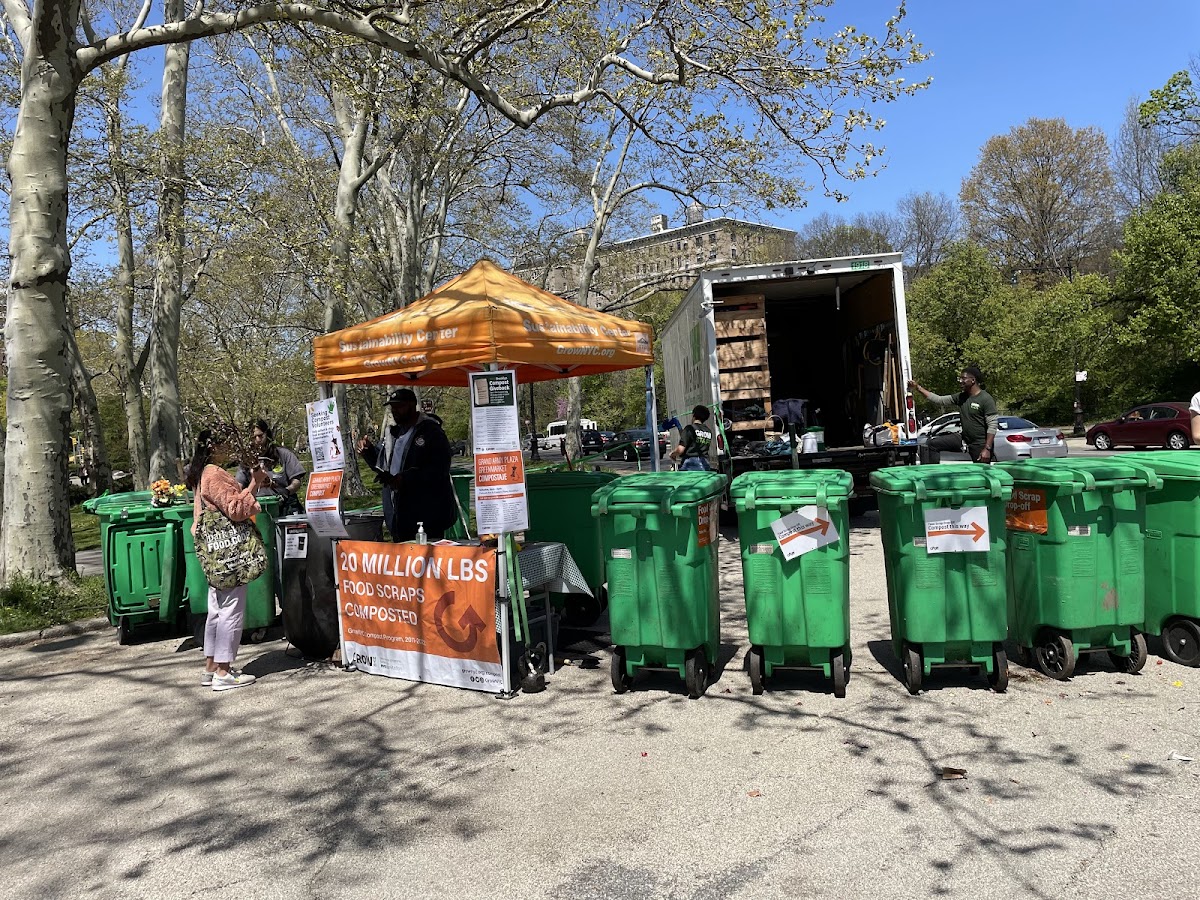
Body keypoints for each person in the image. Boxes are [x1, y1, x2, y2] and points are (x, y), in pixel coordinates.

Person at [186, 426, 270, 691]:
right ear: (215, 447)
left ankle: (211, 667)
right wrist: (254, 484)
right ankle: (224, 672)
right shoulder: (214, 473)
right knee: (231, 610)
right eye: (226, 445)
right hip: (229, 553)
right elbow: (235, 510)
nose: (230, 450)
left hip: (214, 552)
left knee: (217, 610)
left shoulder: (201, 473)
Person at [356, 388, 457, 541]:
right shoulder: (392, 433)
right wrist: (368, 451)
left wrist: (406, 479)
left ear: (412, 405)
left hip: (427, 515)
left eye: (399, 406)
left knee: (426, 562)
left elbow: (439, 469)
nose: (395, 411)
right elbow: (381, 464)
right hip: (398, 516)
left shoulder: (431, 431)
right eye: (392, 407)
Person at [908, 366, 998, 464]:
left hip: (980, 444)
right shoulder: (961, 397)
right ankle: (933, 475)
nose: (960, 381)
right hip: (964, 439)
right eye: (960, 378)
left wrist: (987, 449)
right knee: (932, 444)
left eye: (963, 378)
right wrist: (918, 388)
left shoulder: (986, 399)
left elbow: (992, 426)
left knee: (982, 474)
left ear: (973, 380)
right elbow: (939, 400)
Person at [236, 419, 306, 514]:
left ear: (267, 434)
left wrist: (286, 491)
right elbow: (238, 486)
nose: (258, 440)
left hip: (284, 505)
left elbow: (296, 481)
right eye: (253, 437)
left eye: (260, 436)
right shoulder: (247, 460)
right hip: (258, 508)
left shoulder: (283, 454)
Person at [669, 405, 714, 471]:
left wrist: (672, 454)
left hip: (690, 464)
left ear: (694, 415)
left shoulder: (689, 429)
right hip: (704, 463)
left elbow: (680, 449)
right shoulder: (708, 431)